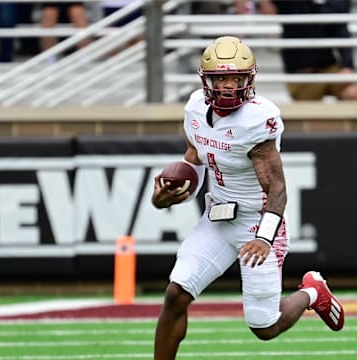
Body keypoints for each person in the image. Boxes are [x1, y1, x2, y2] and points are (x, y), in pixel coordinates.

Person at [151, 36, 344, 360]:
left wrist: (264, 239)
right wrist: (171, 195)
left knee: (264, 326)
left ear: (249, 80)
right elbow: (195, 160)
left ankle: (312, 292)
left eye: (236, 78)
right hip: (217, 219)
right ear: (206, 80)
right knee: (176, 295)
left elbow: (277, 189)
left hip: (257, 221)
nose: (228, 86)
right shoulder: (195, 108)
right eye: (221, 78)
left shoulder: (256, 120)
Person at [254, 0, 357, 101]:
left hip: (328, 67)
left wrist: (347, 66)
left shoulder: (335, 4)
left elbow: (342, 30)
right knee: (311, 112)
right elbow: (268, 11)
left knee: (353, 92)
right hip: (302, 73)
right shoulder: (291, 4)